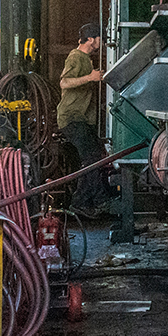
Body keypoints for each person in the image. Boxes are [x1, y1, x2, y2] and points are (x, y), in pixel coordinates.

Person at [58, 23, 113, 212]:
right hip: (71, 117)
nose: (102, 42)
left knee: (94, 157)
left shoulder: (86, 59)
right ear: (91, 39)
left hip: (82, 119)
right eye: (100, 38)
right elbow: (64, 82)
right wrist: (90, 78)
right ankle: (92, 200)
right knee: (91, 158)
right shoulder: (76, 57)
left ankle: (86, 201)